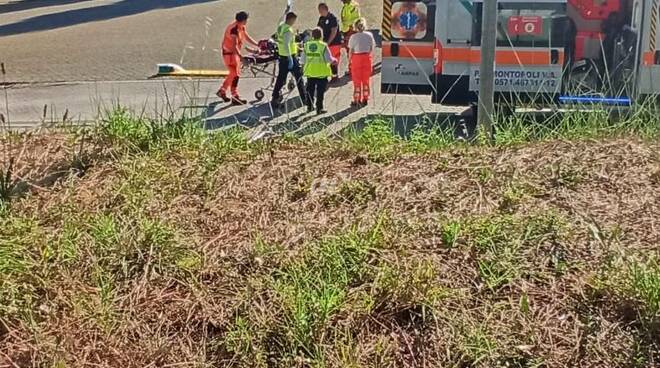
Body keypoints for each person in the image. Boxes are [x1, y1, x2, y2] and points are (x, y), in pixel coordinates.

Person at [218, 11, 259, 105]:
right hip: (230, 54)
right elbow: (234, 45)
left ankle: (223, 91)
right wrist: (241, 57)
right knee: (235, 74)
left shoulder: (240, 27)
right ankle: (234, 96)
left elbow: (246, 37)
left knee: (233, 74)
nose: (247, 22)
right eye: (246, 20)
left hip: (231, 54)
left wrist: (257, 44)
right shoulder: (234, 29)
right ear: (243, 20)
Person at [271, 12, 307, 109]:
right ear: (291, 19)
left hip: (282, 57)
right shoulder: (288, 30)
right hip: (289, 57)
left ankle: (275, 97)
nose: (294, 22)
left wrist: (284, 12)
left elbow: (279, 21)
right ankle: (304, 98)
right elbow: (287, 44)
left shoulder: (281, 27)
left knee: (281, 78)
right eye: (294, 20)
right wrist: (290, 59)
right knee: (299, 77)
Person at [301, 28, 337, 114]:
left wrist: (303, 69)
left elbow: (302, 60)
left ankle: (309, 107)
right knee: (320, 92)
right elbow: (328, 59)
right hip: (321, 73)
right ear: (321, 36)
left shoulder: (306, 45)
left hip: (310, 72)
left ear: (312, 36)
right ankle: (319, 108)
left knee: (310, 91)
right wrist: (334, 60)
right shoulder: (323, 46)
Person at [348, 18, 375, 107]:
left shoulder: (353, 37)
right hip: (367, 58)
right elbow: (371, 48)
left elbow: (351, 51)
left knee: (357, 81)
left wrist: (349, 61)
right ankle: (365, 98)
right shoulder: (369, 35)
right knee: (366, 80)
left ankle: (356, 99)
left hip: (357, 59)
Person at [317, 3, 342, 81]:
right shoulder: (321, 18)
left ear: (326, 9)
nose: (320, 12)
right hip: (325, 42)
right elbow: (318, 29)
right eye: (319, 10)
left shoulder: (332, 18)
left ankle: (335, 76)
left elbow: (334, 32)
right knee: (325, 59)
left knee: (333, 59)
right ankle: (327, 75)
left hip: (334, 43)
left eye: (321, 10)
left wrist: (328, 42)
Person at [340, 0, 361, 76]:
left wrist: (344, 27)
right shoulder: (356, 4)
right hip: (355, 29)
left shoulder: (347, 7)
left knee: (350, 51)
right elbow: (358, 17)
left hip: (349, 30)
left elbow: (346, 20)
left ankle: (352, 70)